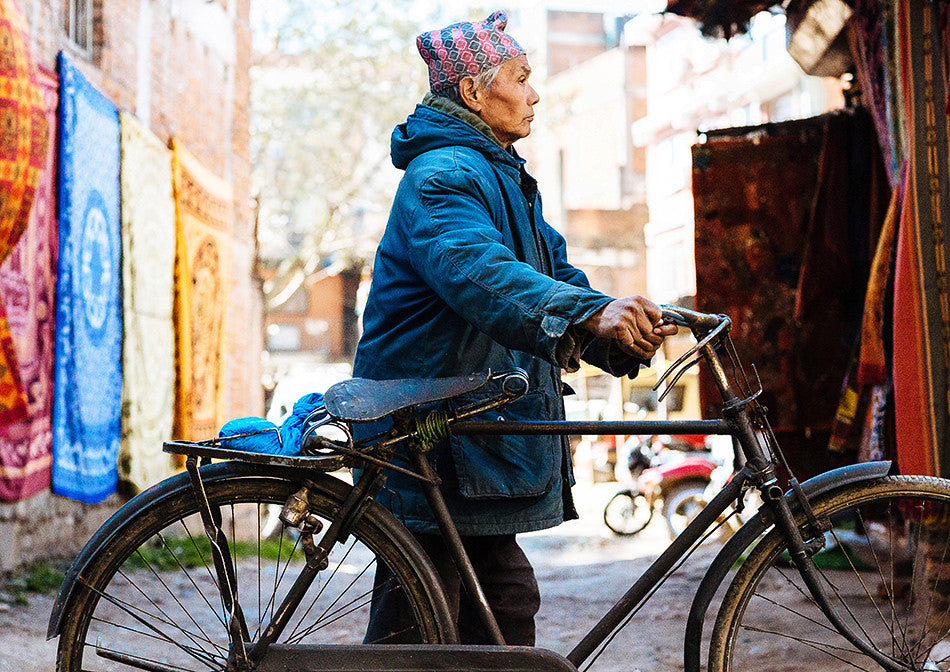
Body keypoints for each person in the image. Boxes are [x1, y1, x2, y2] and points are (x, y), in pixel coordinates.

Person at [354, 10, 677, 646]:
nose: (534, 94)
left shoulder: (500, 174)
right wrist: (585, 314)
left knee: (496, 607)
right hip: (433, 436)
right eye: (521, 77)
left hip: (465, 431)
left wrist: (614, 321)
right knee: (425, 624)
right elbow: (482, 273)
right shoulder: (443, 175)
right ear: (475, 92)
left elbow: (553, 271)